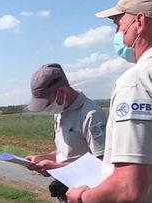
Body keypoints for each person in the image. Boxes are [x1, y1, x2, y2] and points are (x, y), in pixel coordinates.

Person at [66, 0, 152, 203]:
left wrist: (81, 196)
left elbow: (127, 188)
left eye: (118, 24)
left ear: (140, 22)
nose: (118, 32)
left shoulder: (138, 81)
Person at [26, 63, 107, 202]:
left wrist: (56, 167)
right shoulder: (60, 111)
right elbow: (64, 151)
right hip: (66, 191)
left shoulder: (90, 114)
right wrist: (42, 159)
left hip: (85, 194)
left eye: (46, 103)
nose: (46, 109)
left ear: (61, 93)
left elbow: (102, 165)